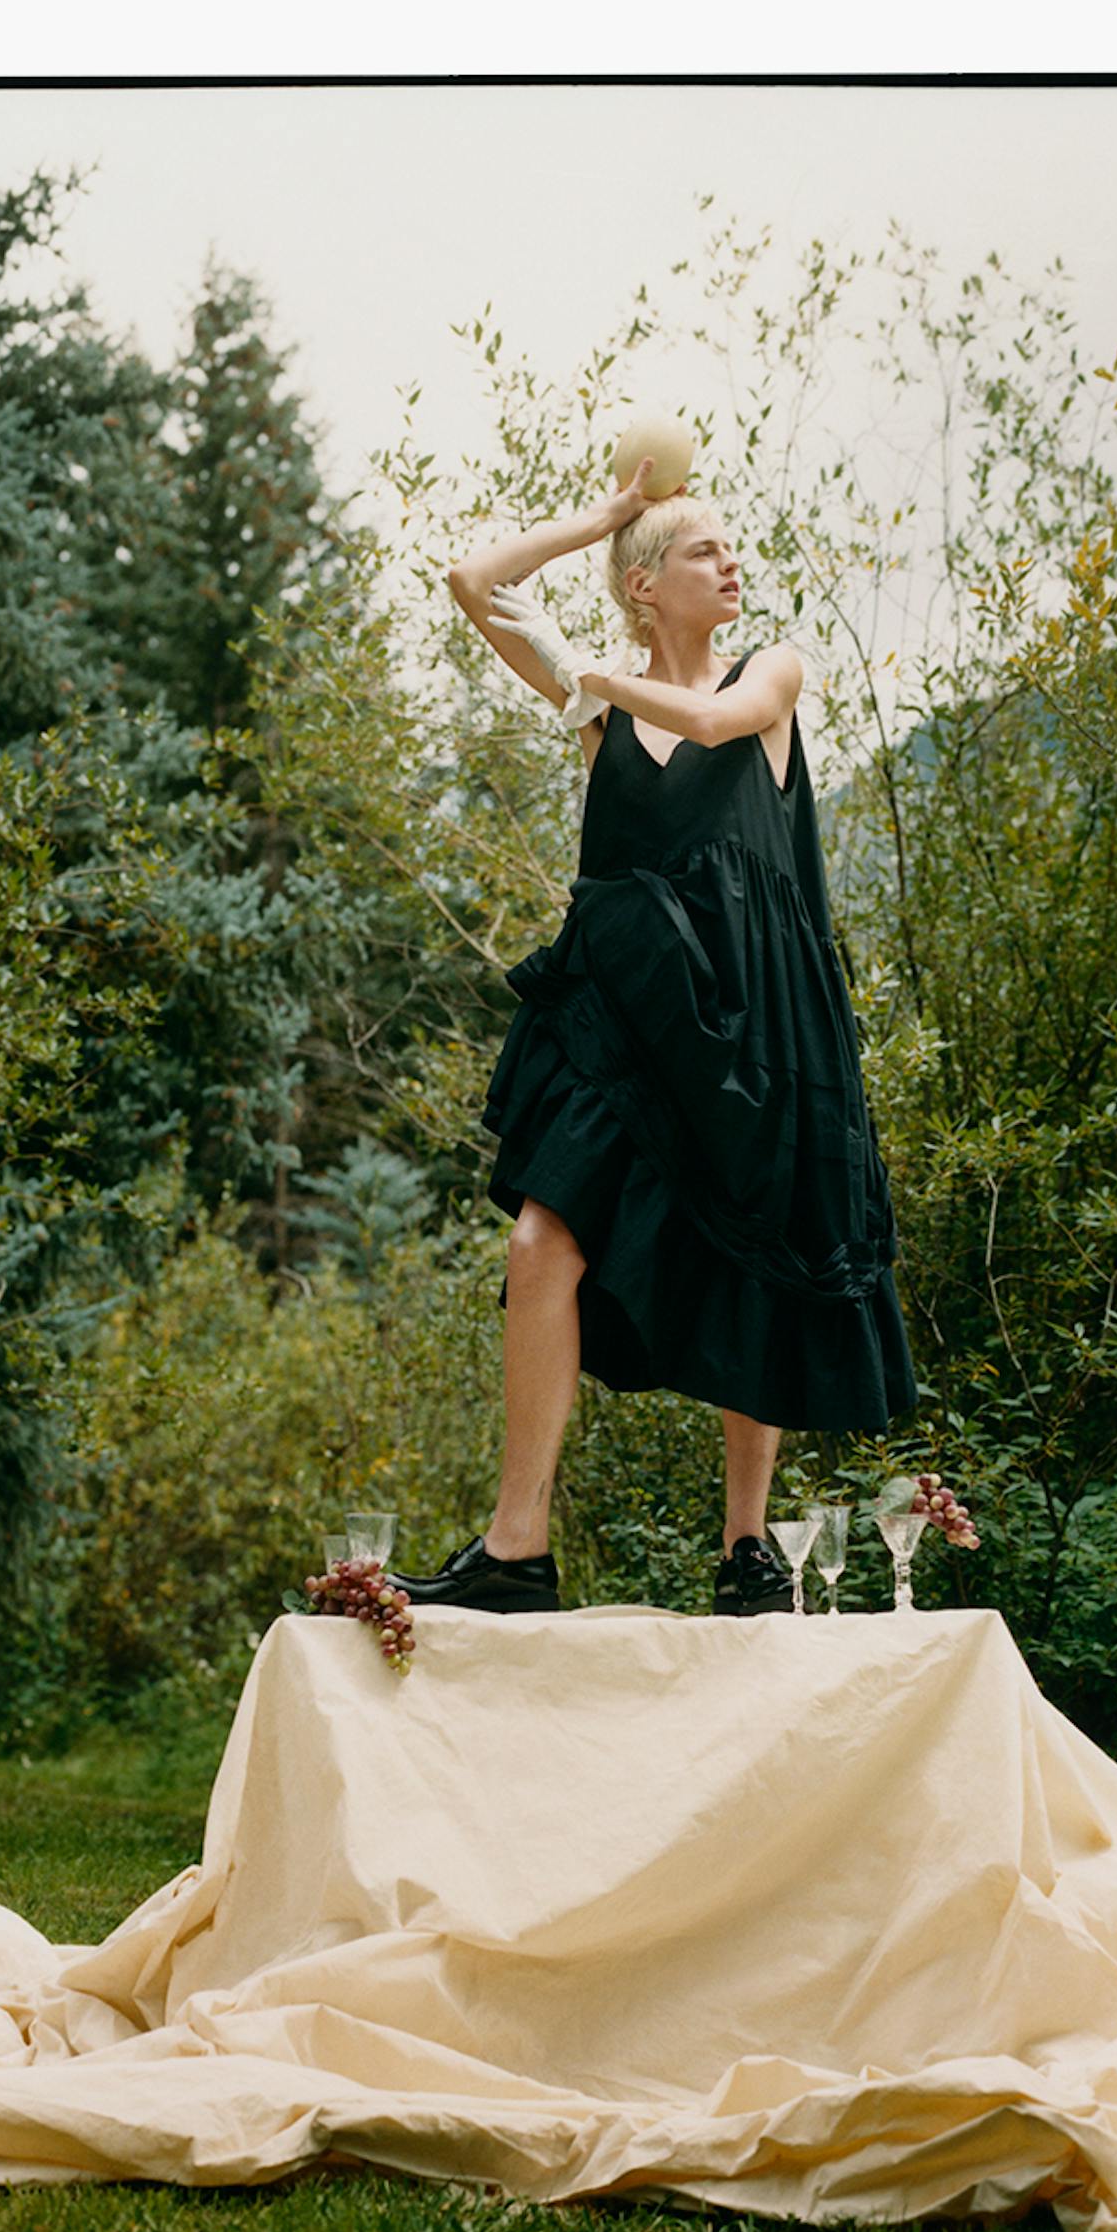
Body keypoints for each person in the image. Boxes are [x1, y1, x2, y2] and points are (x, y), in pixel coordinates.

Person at [394, 458, 917, 1619]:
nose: (731, 564)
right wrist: (604, 516)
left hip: (762, 1018)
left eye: (730, 550)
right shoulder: (603, 706)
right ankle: (516, 1549)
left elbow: (724, 719)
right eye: (701, 552)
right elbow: (470, 577)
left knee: (761, 1259)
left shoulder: (764, 671)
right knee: (540, 1243)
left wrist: (587, 673)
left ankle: (746, 1548)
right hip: (626, 1013)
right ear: (642, 585)